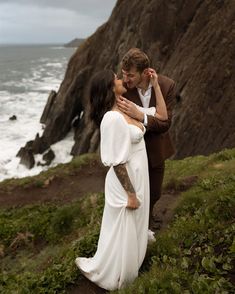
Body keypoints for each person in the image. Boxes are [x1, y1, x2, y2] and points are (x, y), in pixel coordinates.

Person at [75, 69, 150, 290]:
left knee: (132, 224)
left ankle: (133, 260)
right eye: (116, 79)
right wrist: (131, 194)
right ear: (110, 87)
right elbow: (117, 162)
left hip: (137, 173)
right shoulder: (112, 118)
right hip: (126, 180)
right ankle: (119, 274)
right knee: (124, 226)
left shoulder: (122, 108)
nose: (121, 80)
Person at [117, 48, 176, 230]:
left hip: (157, 149)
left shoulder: (167, 86)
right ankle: (140, 224)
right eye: (124, 74)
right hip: (134, 151)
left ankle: (149, 215)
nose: (125, 80)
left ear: (145, 73)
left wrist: (140, 116)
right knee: (137, 191)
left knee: (155, 192)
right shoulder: (123, 89)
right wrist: (151, 119)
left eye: (130, 75)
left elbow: (165, 125)